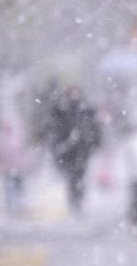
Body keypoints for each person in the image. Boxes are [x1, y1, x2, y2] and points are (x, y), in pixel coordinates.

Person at [43, 86, 101, 216]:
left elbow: (93, 128)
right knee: (73, 178)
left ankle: (77, 201)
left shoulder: (83, 111)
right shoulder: (64, 111)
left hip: (80, 151)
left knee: (77, 177)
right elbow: (55, 129)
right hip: (70, 151)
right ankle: (75, 202)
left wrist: (93, 142)